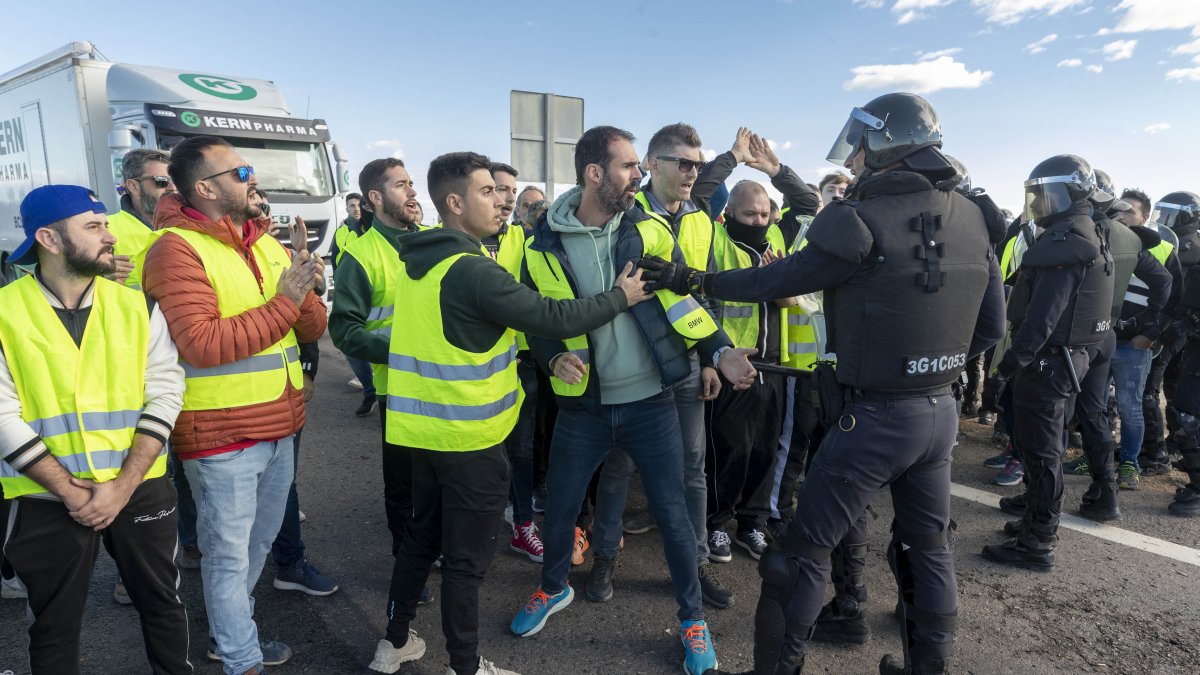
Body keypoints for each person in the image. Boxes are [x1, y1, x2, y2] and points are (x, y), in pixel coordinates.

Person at [639, 92, 1005, 674]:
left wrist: (692, 279)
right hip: (939, 413)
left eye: (860, 148)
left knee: (798, 559)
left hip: (873, 417)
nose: (854, 161)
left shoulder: (856, 216)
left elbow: (782, 277)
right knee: (928, 549)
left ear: (882, 144)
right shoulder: (975, 214)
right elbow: (991, 328)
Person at [367, 150, 654, 675]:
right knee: (466, 563)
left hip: (423, 435)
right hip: (470, 442)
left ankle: (394, 642)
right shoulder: (473, 270)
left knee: (419, 540)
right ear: (454, 203)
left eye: (500, 193)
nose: (501, 201)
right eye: (486, 192)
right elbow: (552, 314)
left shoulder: (419, 260)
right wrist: (620, 296)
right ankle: (466, 666)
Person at [510, 125, 757, 675]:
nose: (637, 176)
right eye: (627, 167)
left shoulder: (646, 231)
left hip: (652, 402)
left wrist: (719, 350)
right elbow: (539, 321)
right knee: (562, 510)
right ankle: (553, 588)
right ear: (594, 173)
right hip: (583, 408)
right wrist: (551, 358)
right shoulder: (541, 244)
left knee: (673, 515)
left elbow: (681, 298)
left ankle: (692, 619)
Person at [142, 135, 327, 675]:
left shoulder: (264, 242)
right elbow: (203, 342)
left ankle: (231, 636)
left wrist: (304, 283)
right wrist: (287, 300)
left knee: (256, 548)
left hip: (280, 424)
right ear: (204, 188)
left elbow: (312, 327)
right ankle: (240, 659)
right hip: (223, 437)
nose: (253, 179)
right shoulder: (176, 248)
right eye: (241, 172)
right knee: (226, 559)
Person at [0, 184, 189, 675]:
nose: (110, 237)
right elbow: (1, 415)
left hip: (140, 488)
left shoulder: (137, 307)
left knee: (163, 608)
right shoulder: (5, 312)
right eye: (94, 226)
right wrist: (70, 491)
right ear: (50, 238)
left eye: (106, 224)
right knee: (53, 630)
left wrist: (121, 487)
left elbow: (166, 392)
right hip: (44, 498)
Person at [589, 122, 739, 612]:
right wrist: (716, 350)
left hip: (689, 366)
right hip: (640, 369)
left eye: (698, 163)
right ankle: (605, 556)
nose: (693, 172)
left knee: (693, 469)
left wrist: (709, 358)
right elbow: (649, 303)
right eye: (684, 163)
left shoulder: (700, 219)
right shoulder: (628, 220)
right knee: (621, 465)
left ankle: (694, 564)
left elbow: (705, 291)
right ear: (654, 164)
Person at [980, 155, 1115, 571]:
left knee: (1043, 454)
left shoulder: (1065, 242)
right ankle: (1033, 519)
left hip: (1047, 363)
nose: (1039, 203)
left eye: (1046, 195)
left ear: (1071, 194)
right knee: (1042, 449)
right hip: (1066, 361)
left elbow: (1043, 318)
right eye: (1036, 195)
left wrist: (1006, 368)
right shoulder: (1083, 230)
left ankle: (1037, 541)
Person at [330, 158, 427, 567]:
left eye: (411, 183)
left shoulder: (433, 241)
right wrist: (404, 351)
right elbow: (345, 331)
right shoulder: (360, 256)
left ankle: (432, 548)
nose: (412, 192)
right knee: (404, 485)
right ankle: (407, 558)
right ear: (375, 197)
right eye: (401, 185)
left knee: (438, 482)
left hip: (449, 388)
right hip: (400, 389)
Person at [485, 162, 544, 563]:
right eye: (497, 189)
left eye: (511, 190)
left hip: (519, 364)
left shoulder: (524, 241)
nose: (506, 198)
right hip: (469, 370)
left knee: (521, 450)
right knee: (479, 455)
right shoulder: (455, 242)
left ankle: (523, 526)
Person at [107, 148, 175, 289]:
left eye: (176, 181)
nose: (172, 188)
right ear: (134, 186)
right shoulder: (105, 229)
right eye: (161, 181)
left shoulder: (193, 227)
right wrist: (100, 280)